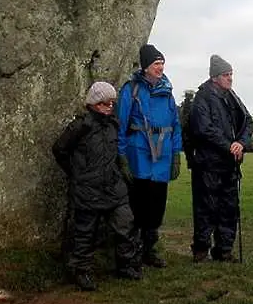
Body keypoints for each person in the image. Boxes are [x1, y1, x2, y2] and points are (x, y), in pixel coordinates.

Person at [52, 81, 142, 291]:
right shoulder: (80, 126)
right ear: (94, 103)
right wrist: (76, 172)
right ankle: (82, 272)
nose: (109, 106)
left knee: (126, 225)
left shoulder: (114, 125)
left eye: (112, 102)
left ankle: (126, 265)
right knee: (85, 233)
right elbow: (59, 149)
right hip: (88, 189)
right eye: (105, 102)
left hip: (112, 187)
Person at [116, 44, 182, 268]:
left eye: (162, 63)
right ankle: (132, 252)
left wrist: (175, 154)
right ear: (146, 67)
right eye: (156, 64)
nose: (160, 68)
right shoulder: (131, 90)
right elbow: (121, 125)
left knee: (156, 208)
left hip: (161, 160)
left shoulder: (167, 93)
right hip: (139, 157)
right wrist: (122, 156)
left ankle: (150, 249)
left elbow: (175, 126)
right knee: (138, 207)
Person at [189, 54, 252, 263]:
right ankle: (201, 250)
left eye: (231, 74)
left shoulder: (232, 96)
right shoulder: (202, 98)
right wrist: (229, 146)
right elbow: (204, 129)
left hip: (229, 164)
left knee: (229, 208)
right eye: (226, 75)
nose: (230, 78)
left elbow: (248, 121)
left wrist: (241, 143)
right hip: (207, 163)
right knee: (206, 208)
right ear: (215, 77)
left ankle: (224, 250)